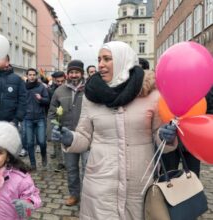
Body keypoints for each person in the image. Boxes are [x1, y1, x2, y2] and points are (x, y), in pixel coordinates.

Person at [51, 41, 178, 219]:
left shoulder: (151, 94)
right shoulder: (91, 96)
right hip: (100, 181)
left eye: (107, 59)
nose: (100, 64)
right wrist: (70, 138)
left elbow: (160, 137)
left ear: (122, 60)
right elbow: (84, 136)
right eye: (99, 59)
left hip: (139, 182)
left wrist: (167, 136)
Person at [48, 60, 88, 206]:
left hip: (86, 136)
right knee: (71, 168)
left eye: (76, 72)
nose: (74, 75)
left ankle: (86, 196)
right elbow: (52, 112)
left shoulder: (89, 89)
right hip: (67, 136)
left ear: (81, 73)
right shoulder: (59, 91)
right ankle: (74, 194)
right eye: (71, 72)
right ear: (67, 74)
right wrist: (51, 131)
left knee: (87, 169)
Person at [0, 55, 27, 126]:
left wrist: (16, 119)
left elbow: (23, 101)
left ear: (7, 62)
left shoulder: (17, 80)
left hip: (10, 123)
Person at [24, 68, 49, 170]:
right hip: (27, 118)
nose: (32, 76)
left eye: (34, 75)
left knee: (42, 141)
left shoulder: (41, 87)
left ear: (36, 76)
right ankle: (33, 164)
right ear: (27, 76)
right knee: (30, 143)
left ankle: (43, 155)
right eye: (30, 75)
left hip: (40, 118)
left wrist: (41, 99)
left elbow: (47, 100)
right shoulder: (23, 87)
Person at [47, 71, 65, 163]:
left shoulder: (68, 89)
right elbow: (49, 104)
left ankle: (66, 160)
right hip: (55, 118)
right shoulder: (50, 90)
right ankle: (60, 162)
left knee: (66, 140)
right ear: (54, 80)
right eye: (58, 81)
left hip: (66, 117)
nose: (60, 83)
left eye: (62, 81)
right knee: (56, 141)